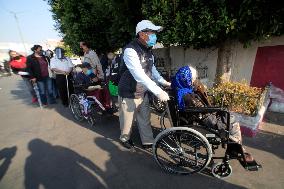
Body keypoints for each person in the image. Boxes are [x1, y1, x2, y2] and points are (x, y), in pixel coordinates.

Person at [172, 65, 254, 162]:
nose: (194, 80)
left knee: (230, 117)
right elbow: (201, 110)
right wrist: (216, 109)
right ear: (187, 79)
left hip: (200, 116)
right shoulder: (187, 96)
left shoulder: (182, 90)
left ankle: (235, 148)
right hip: (205, 119)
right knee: (232, 122)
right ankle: (236, 149)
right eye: (192, 78)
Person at [118, 20, 171, 149]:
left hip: (143, 90)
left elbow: (152, 70)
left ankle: (147, 141)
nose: (154, 35)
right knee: (127, 120)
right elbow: (138, 74)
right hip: (129, 92)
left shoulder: (148, 50)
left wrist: (163, 82)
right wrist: (158, 91)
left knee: (145, 117)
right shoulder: (130, 50)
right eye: (151, 32)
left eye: (154, 32)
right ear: (142, 34)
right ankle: (125, 138)